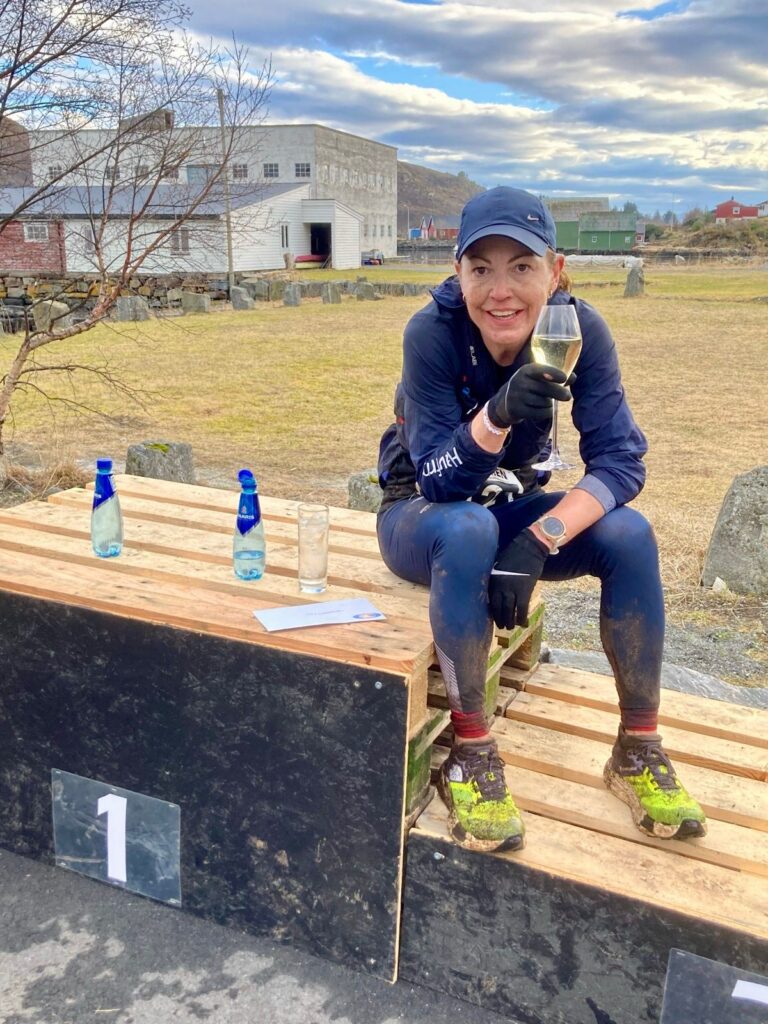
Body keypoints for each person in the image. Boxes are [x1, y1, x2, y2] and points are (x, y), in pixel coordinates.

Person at [376, 186, 706, 853]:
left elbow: (620, 463)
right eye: (481, 269)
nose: (501, 290)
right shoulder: (432, 333)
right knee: (466, 528)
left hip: (507, 508)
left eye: (521, 267)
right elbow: (441, 483)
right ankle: (470, 753)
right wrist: (496, 415)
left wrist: (539, 538)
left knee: (629, 535)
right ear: (458, 272)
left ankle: (637, 747)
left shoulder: (577, 330)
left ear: (555, 272)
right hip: (422, 515)